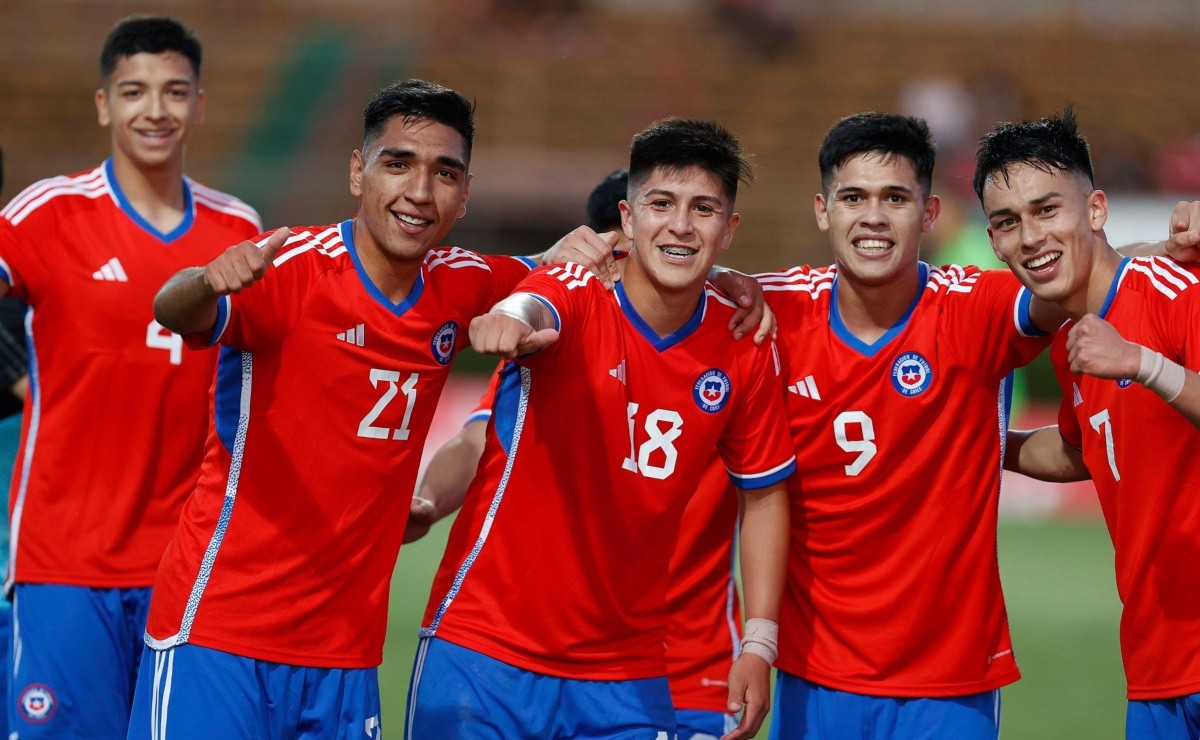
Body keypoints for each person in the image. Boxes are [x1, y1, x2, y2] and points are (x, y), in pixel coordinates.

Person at [136, 81, 767, 738]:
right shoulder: (288, 267)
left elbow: (579, 269)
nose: (419, 191)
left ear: (465, 195)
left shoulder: (462, 280)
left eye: (445, 173)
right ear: (359, 172)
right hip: (221, 629)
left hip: (347, 657)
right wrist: (206, 281)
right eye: (397, 164)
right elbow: (175, 310)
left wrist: (723, 276)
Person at [407, 118, 795, 740]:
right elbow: (531, 304)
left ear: (729, 231)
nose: (681, 225)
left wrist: (759, 643)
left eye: (704, 209)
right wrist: (505, 318)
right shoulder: (576, 292)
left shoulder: (743, 341)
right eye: (661, 204)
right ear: (627, 218)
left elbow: (766, 491)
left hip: (628, 668)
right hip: (487, 648)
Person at [0, 17, 261, 737]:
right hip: (65, 558)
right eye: (134, 91)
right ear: (103, 104)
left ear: (199, 104)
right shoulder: (47, 212)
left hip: (188, 567)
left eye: (175, 92)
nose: (156, 110)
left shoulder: (238, 231)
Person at [976, 109, 1200, 739]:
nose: (1031, 236)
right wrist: (986, 444)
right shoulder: (1075, 342)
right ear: (994, 243)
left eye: (1047, 210)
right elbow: (1080, 451)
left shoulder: (1178, 288)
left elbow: (1145, 369)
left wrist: (1144, 363)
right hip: (1156, 665)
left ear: (1096, 209)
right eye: (1008, 222)